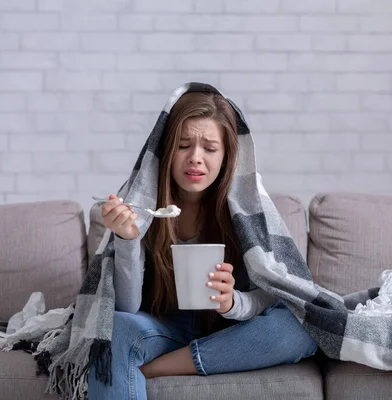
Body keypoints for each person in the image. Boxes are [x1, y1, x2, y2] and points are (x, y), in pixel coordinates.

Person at [86, 87, 317, 399]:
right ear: (168, 151)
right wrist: (128, 240)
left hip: (228, 331)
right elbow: (127, 307)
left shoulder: (247, 208)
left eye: (210, 148)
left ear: (226, 157)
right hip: (162, 325)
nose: (195, 158)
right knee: (116, 329)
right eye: (184, 145)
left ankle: (157, 367)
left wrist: (234, 302)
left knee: (302, 327)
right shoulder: (141, 203)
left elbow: (276, 293)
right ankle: (167, 359)